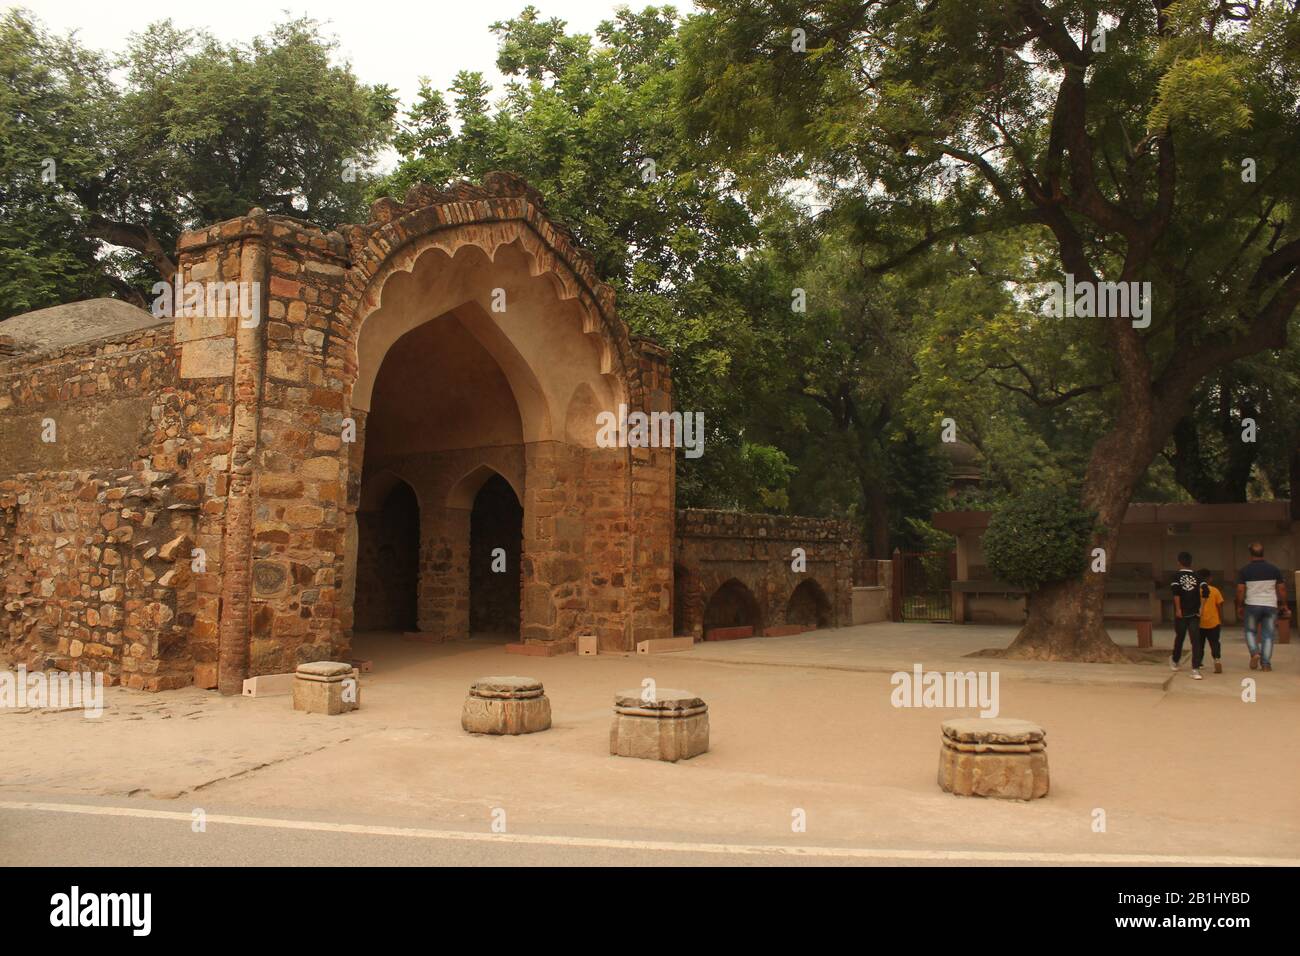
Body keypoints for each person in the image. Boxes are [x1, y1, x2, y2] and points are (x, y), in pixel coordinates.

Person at [1235, 542, 1289, 672]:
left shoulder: (1245, 570)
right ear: (1263, 553)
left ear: (1251, 554)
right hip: (1270, 606)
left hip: (1252, 605)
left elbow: (1240, 590)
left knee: (1250, 631)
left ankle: (1254, 653)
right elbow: (1281, 589)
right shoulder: (1274, 569)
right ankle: (1266, 664)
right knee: (1268, 635)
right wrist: (1284, 605)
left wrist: (1240, 606)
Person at [1170, 552, 1203, 678]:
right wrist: (1201, 608)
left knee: (1180, 637)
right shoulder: (1197, 576)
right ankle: (1195, 669)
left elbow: (1176, 593)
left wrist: (1178, 609)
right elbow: (1204, 592)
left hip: (1182, 612)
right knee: (1195, 640)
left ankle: (1175, 661)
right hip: (1194, 612)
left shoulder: (1176, 576)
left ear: (1179, 562)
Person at [1197, 568, 1224, 674]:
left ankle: (1199, 663)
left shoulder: (1196, 591)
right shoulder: (1215, 590)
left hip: (1199, 623)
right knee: (1214, 643)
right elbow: (1219, 605)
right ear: (1210, 579)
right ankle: (1217, 659)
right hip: (1214, 622)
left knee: (1199, 644)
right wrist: (1220, 618)